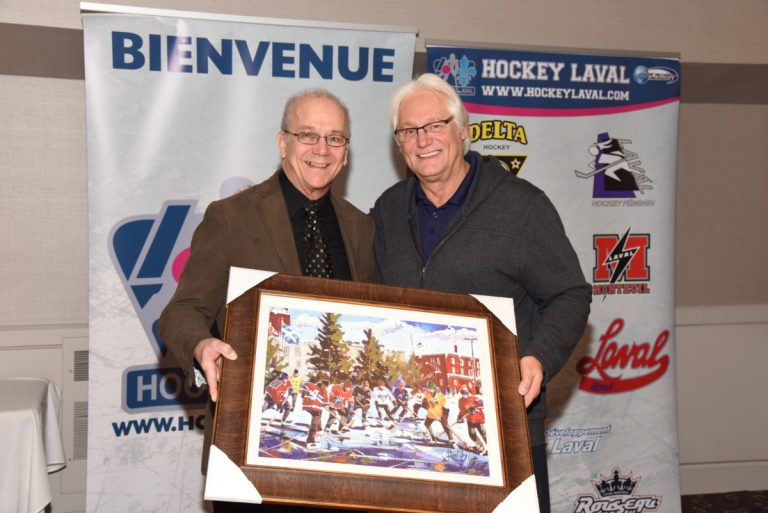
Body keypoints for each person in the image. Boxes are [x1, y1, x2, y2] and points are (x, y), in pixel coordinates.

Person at [371, 73, 591, 513]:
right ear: (399, 144)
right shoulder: (387, 210)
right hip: (416, 436)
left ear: (462, 130)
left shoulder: (521, 206)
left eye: (435, 125)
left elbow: (569, 294)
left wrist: (539, 357)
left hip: (507, 423)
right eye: (409, 131)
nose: (423, 140)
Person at [158, 89, 375, 513]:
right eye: (308, 135)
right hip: (249, 459)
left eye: (335, 138)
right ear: (283, 143)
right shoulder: (230, 217)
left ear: (346, 153)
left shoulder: (361, 227)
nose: (321, 149)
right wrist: (201, 344)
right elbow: (181, 312)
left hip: (338, 474)